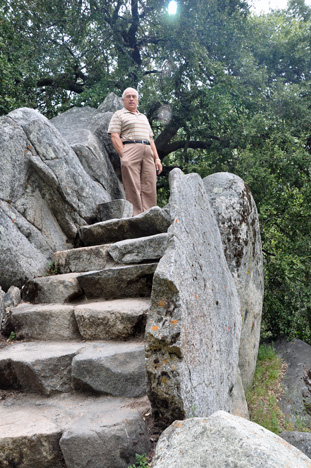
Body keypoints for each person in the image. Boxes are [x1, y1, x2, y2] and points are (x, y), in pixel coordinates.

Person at [108, 87, 163, 216]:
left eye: (134, 96)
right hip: (130, 147)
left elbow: (150, 138)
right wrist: (124, 154)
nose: (131, 99)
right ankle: (137, 214)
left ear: (138, 100)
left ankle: (150, 213)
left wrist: (157, 158)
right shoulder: (119, 114)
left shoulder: (143, 117)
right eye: (128, 96)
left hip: (147, 150)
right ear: (123, 100)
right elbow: (114, 135)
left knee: (149, 182)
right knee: (133, 184)